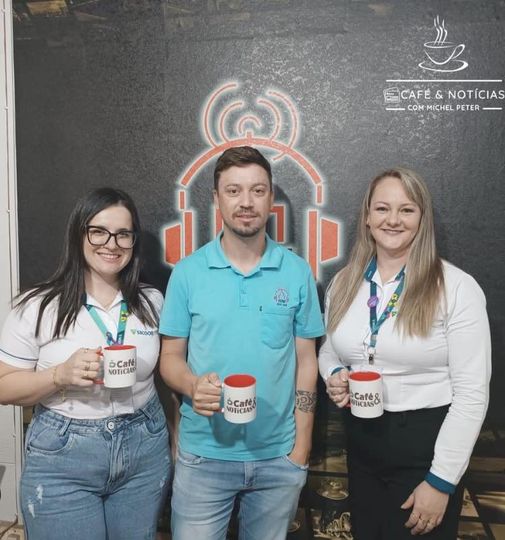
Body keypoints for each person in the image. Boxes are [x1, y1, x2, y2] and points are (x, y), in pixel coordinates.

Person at [159, 146, 325, 540]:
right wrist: (191, 385)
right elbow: (170, 357)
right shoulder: (188, 273)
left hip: (278, 458)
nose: (246, 202)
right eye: (233, 191)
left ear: (270, 198)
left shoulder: (297, 272)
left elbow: (306, 362)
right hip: (204, 456)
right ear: (216, 199)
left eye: (257, 190)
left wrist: (300, 449)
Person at [319, 168, 491, 540]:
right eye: (382, 208)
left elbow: (472, 394)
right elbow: (329, 351)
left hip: (425, 453)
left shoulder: (457, 288)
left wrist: (441, 480)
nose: (393, 220)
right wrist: (334, 375)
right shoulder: (344, 282)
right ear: (367, 218)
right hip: (362, 447)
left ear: (422, 219)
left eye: (406, 210)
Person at [0, 188, 171, 540]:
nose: (112, 244)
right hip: (64, 454)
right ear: (79, 234)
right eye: (99, 232)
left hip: (144, 446)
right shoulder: (37, 306)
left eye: (123, 234)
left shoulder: (152, 301)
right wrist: (58, 376)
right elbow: (3, 386)